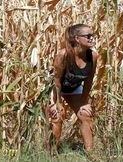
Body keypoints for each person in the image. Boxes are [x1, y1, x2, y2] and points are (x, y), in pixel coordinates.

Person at [46, 24, 98, 153]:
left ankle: (91, 154)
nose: (92, 38)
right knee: (57, 115)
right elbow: (56, 81)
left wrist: (84, 102)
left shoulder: (93, 56)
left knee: (86, 113)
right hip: (55, 89)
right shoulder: (63, 55)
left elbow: (88, 81)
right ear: (76, 38)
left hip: (74, 88)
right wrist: (56, 103)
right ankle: (51, 153)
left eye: (93, 35)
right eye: (88, 36)